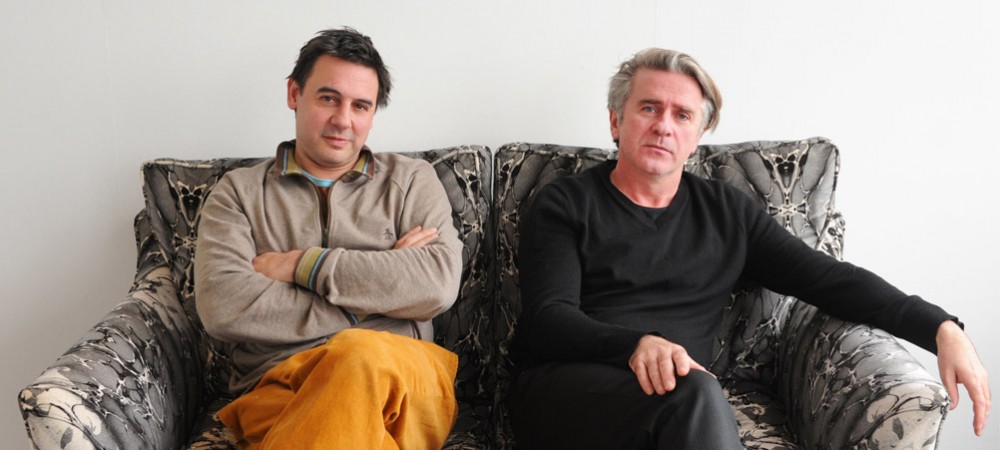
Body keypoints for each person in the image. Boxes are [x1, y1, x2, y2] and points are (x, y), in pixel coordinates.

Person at [508, 48, 990, 449]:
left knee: (692, 396)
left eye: (682, 115)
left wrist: (940, 328)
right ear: (617, 121)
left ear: (697, 137)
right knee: (695, 393)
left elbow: (828, 280)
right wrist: (637, 344)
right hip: (566, 390)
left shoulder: (726, 213)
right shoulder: (566, 203)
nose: (663, 126)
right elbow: (549, 319)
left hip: (677, 399)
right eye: (649, 108)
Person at [194, 28, 463, 449]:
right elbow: (224, 306)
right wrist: (380, 295)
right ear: (294, 93)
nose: (343, 120)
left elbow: (438, 284)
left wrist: (301, 265)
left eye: (361, 106)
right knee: (350, 381)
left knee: (358, 355)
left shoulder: (412, 180)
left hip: (404, 379)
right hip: (280, 386)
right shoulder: (238, 193)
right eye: (328, 98)